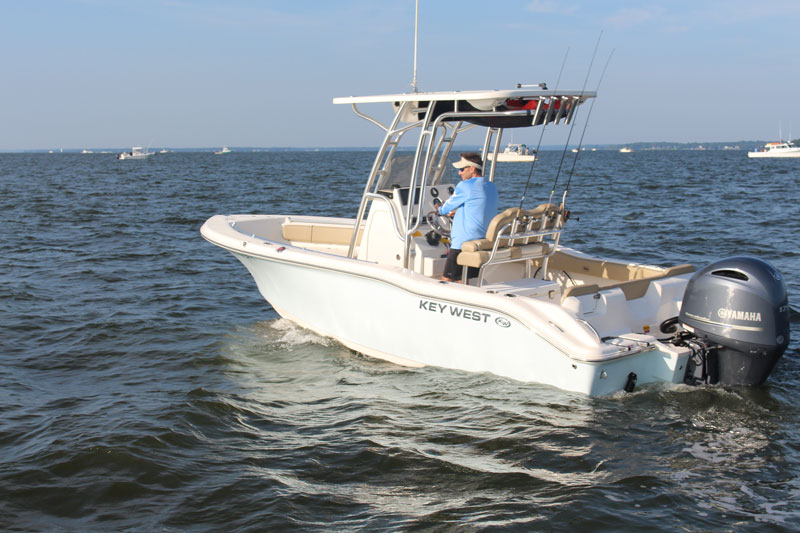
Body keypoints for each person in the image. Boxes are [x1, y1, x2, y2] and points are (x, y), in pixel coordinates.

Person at [436, 152, 498, 282]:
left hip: (462, 242)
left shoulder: (465, 186)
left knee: (446, 279)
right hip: (480, 240)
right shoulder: (491, 186)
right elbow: (477, 205)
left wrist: (438, 207)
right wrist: (459, 212)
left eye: (462, 169)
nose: (459, 173)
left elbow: (444, 209)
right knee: (464, 279)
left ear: (472, 169)